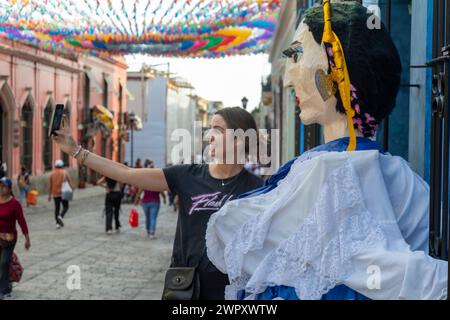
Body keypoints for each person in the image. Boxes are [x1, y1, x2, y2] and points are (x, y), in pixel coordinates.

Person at [205, 1, 448, 300]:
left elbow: (394, 271)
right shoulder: (400, 175)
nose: (289, 78)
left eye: (296, 54)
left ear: (337, 64)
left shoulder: (335, 171)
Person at [53, 106, 263, 300]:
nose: (209, 136)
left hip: (233, 292)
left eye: (217, 130)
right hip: (186, 288)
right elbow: (126, 173)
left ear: (238, 139)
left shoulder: (258, 190)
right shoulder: (187, 175)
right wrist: (76, 151)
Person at [0, 177, 30, 300]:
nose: (1, 189)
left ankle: (3, 290)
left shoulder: (15, 204)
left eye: (4, 186)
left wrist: (27, 238)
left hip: (9, 239)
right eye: (0, 186)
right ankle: (7, 284)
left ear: (9, 188)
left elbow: (21, 221)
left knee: (4, 262)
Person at [135, 162, 167, 239]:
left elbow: (139, 192)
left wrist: (136, 200)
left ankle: (148, 230)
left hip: (145, 202)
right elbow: (162, 191)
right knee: (153, 217)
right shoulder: (157, 182)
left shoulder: (145, 181)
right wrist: (164, 199)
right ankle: (151, 233)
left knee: (148, 217)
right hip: (155, 202)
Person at [48, 160, 74, 229]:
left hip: (55, 194)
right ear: (62, 166)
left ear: (55, 166)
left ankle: (57, 224)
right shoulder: (65, 173)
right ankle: (61, 216)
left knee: (57, 208)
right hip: (63, 193)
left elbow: (50, 186)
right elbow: (70, 183)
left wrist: (49, 195)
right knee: (66, 207)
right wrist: (71, 190)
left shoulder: (52, 174)